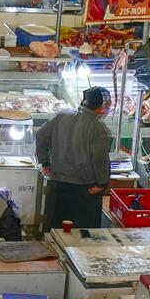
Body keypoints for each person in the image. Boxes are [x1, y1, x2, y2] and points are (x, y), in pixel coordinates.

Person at [36, 86, 112, 230]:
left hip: (57, 184)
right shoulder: (98, 128)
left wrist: (45, 162)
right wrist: (102, 184)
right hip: (84, 190)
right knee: (82, 234)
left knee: (57, 229)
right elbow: (99, 158)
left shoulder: (62, 115)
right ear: (102, 106)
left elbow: (40, 135)